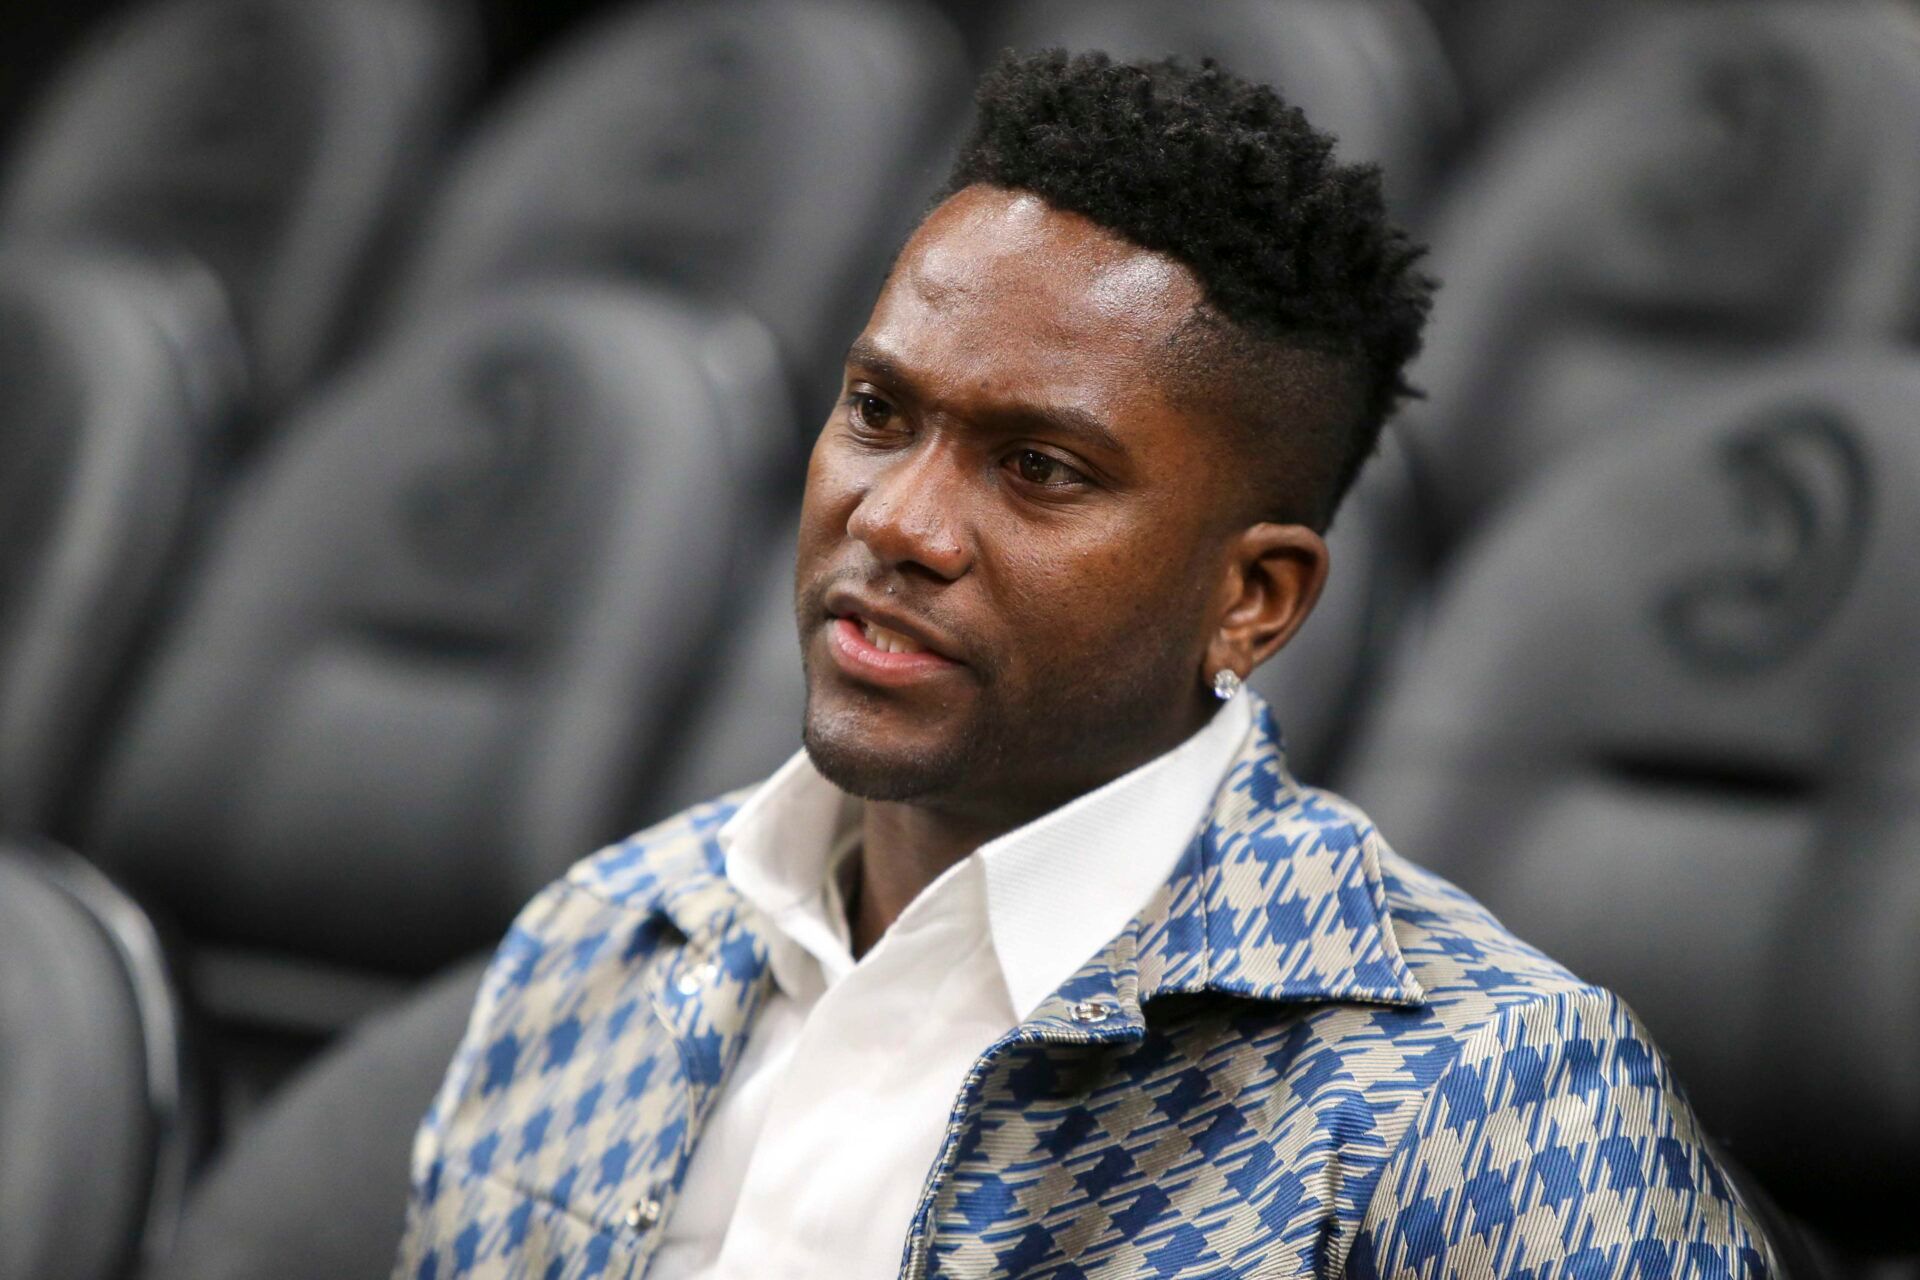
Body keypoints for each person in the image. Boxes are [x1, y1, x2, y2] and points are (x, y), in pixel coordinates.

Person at [393, 50, 1778, 1280]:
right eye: (879, 411)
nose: (898, 520)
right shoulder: (604, 939)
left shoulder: (1486, 1104)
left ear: (1254, 599)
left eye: (1039, 470)